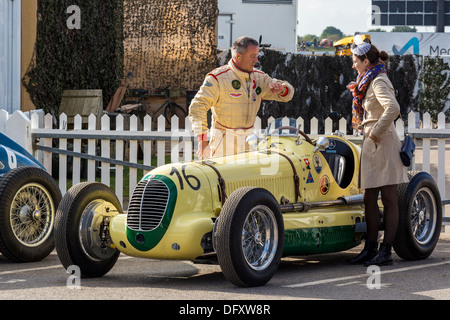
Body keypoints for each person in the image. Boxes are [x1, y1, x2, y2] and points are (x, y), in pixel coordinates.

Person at [347, 36, 408, 266]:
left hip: (381, 142)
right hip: (372, 143)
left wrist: (375, 132)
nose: (353, 65)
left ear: (364, 60)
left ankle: (386, 251)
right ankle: (370, 248)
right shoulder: (367, 80)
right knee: (368, 197)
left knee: (389, 198)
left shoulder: (378, 80)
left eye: (355, 60)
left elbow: (393, 107)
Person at [188, 36, 294, 159]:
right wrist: (202, 140)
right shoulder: (217, 78)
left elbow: (288, 95)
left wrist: (282, 89)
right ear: (238, 56)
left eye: (256, 55)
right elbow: (197, 107)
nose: (256, 60)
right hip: (223, 144)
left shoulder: (260, 78)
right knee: (223, 178)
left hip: (249, 142)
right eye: (252, 56)